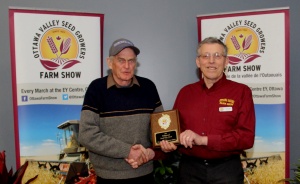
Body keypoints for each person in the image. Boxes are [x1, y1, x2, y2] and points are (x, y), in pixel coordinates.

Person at [160, 37, 256, 184]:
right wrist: (169, 145)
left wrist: (204, 140)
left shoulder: (241, 92)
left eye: (217, 56)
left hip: (226, 171)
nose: (211, 61)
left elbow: (246, 138)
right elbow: (174, 131)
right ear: (198, 62)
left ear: (226, 62)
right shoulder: (185, 93)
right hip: (190, 171)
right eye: (206, 56)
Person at [78, 38, 164, 184]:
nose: (127, 66)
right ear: (110, 62)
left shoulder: (148, 87)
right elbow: (87, 134)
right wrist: (127, 150)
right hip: (109, 177)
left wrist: (151, 152)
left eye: (131, 61)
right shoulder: (96, 89)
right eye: (121, 60)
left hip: (145, 173)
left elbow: (159, 130)